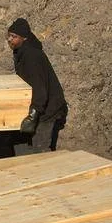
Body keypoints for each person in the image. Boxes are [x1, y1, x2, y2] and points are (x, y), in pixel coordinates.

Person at [7, 18, 68, 153]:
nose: (10, 40)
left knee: (40, 149)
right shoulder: (20, 52)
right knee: (22, 147)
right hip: (37, 104)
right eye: (9, 36)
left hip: (47, 109)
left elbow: (39, 88)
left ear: (25, 38)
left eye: (14, 37)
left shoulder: (31, 56)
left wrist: (33, 115)